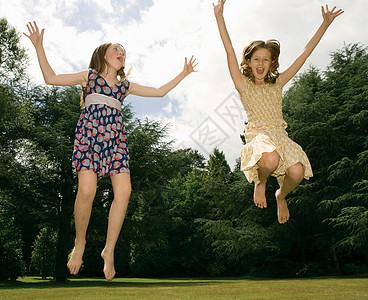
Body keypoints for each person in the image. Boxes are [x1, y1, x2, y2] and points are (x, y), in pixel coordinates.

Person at [24, 21, 197, 280]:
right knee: (87, 190)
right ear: (102, 54)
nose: (121, 53)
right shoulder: (89, 77)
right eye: (116, 49)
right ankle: (79, 243)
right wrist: (39, 47)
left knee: (124, 191)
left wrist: (183, 73)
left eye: (123, 52)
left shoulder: (124, 85)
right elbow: (51, 78)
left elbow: (159, 92)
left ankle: (109, 250)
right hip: (90, 136)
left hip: (116, 140)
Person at [213, 1, 343, 224]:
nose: (261, 63)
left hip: (280, 135)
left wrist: (325, 24)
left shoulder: (278, 83)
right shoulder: (243, 84)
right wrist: (219, 17)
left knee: (297, 173)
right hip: (259, 135)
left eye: (265, 59)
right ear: (248, 62)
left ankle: (281, 196)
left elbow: (303, 54)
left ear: (272, 62)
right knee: (270, 160)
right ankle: (260, 183)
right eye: (256, 59)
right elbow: (229, 50)